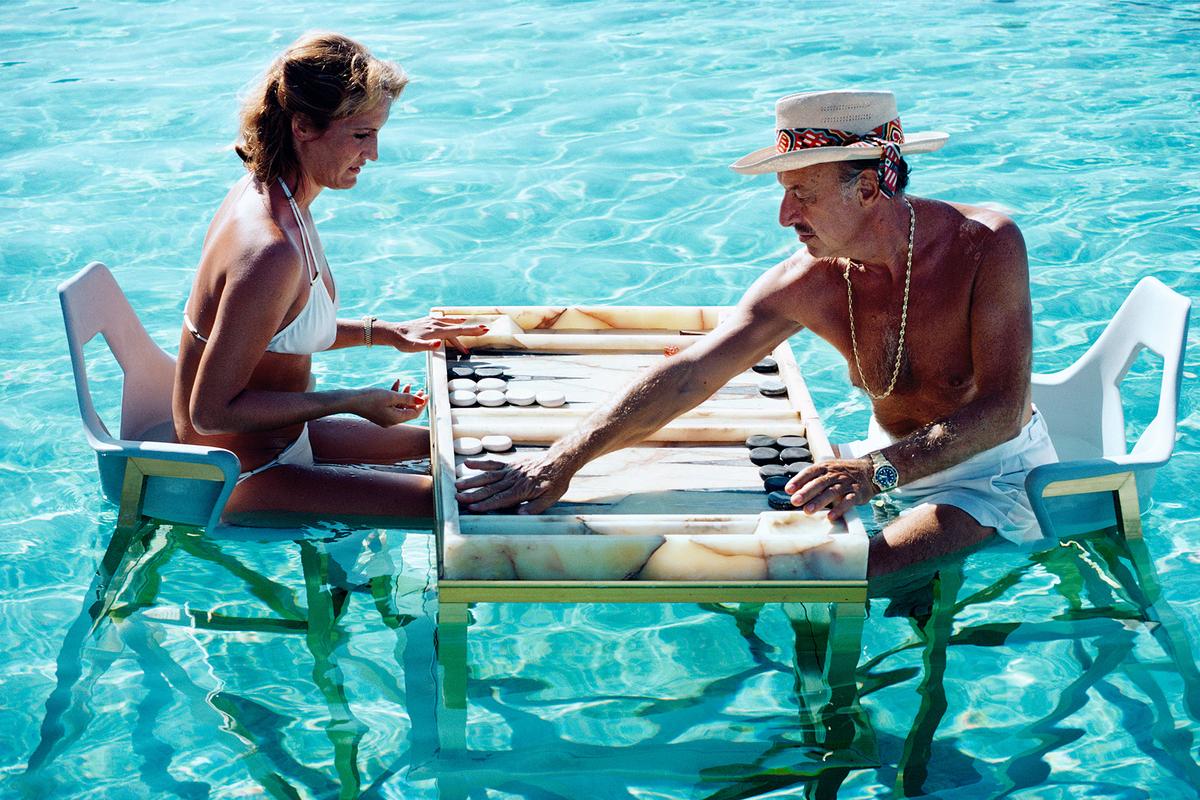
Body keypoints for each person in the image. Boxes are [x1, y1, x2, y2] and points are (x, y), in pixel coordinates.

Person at [455, 89, 1058, 576]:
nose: (785, 216)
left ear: (869, 190)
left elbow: (1003, 411)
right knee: (768, 564)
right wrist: (563, 459)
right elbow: (692, 373)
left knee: (851, 576)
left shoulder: (983, 246)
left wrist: (875, 471)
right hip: (884, 467)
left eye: (802, 194)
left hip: (990, 472)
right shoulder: (806, 282)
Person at [173, 32, 486, 523]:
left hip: (281, 439)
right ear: (303, 126)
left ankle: (373, 584)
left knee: (472, 452)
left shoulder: (277, 194)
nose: (375, 154)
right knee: (472, 506)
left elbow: (271, 333)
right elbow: (210, 413)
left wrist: (385, 333)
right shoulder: (270, 249)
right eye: (362, 135)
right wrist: (353, 402)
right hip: (242, 472)